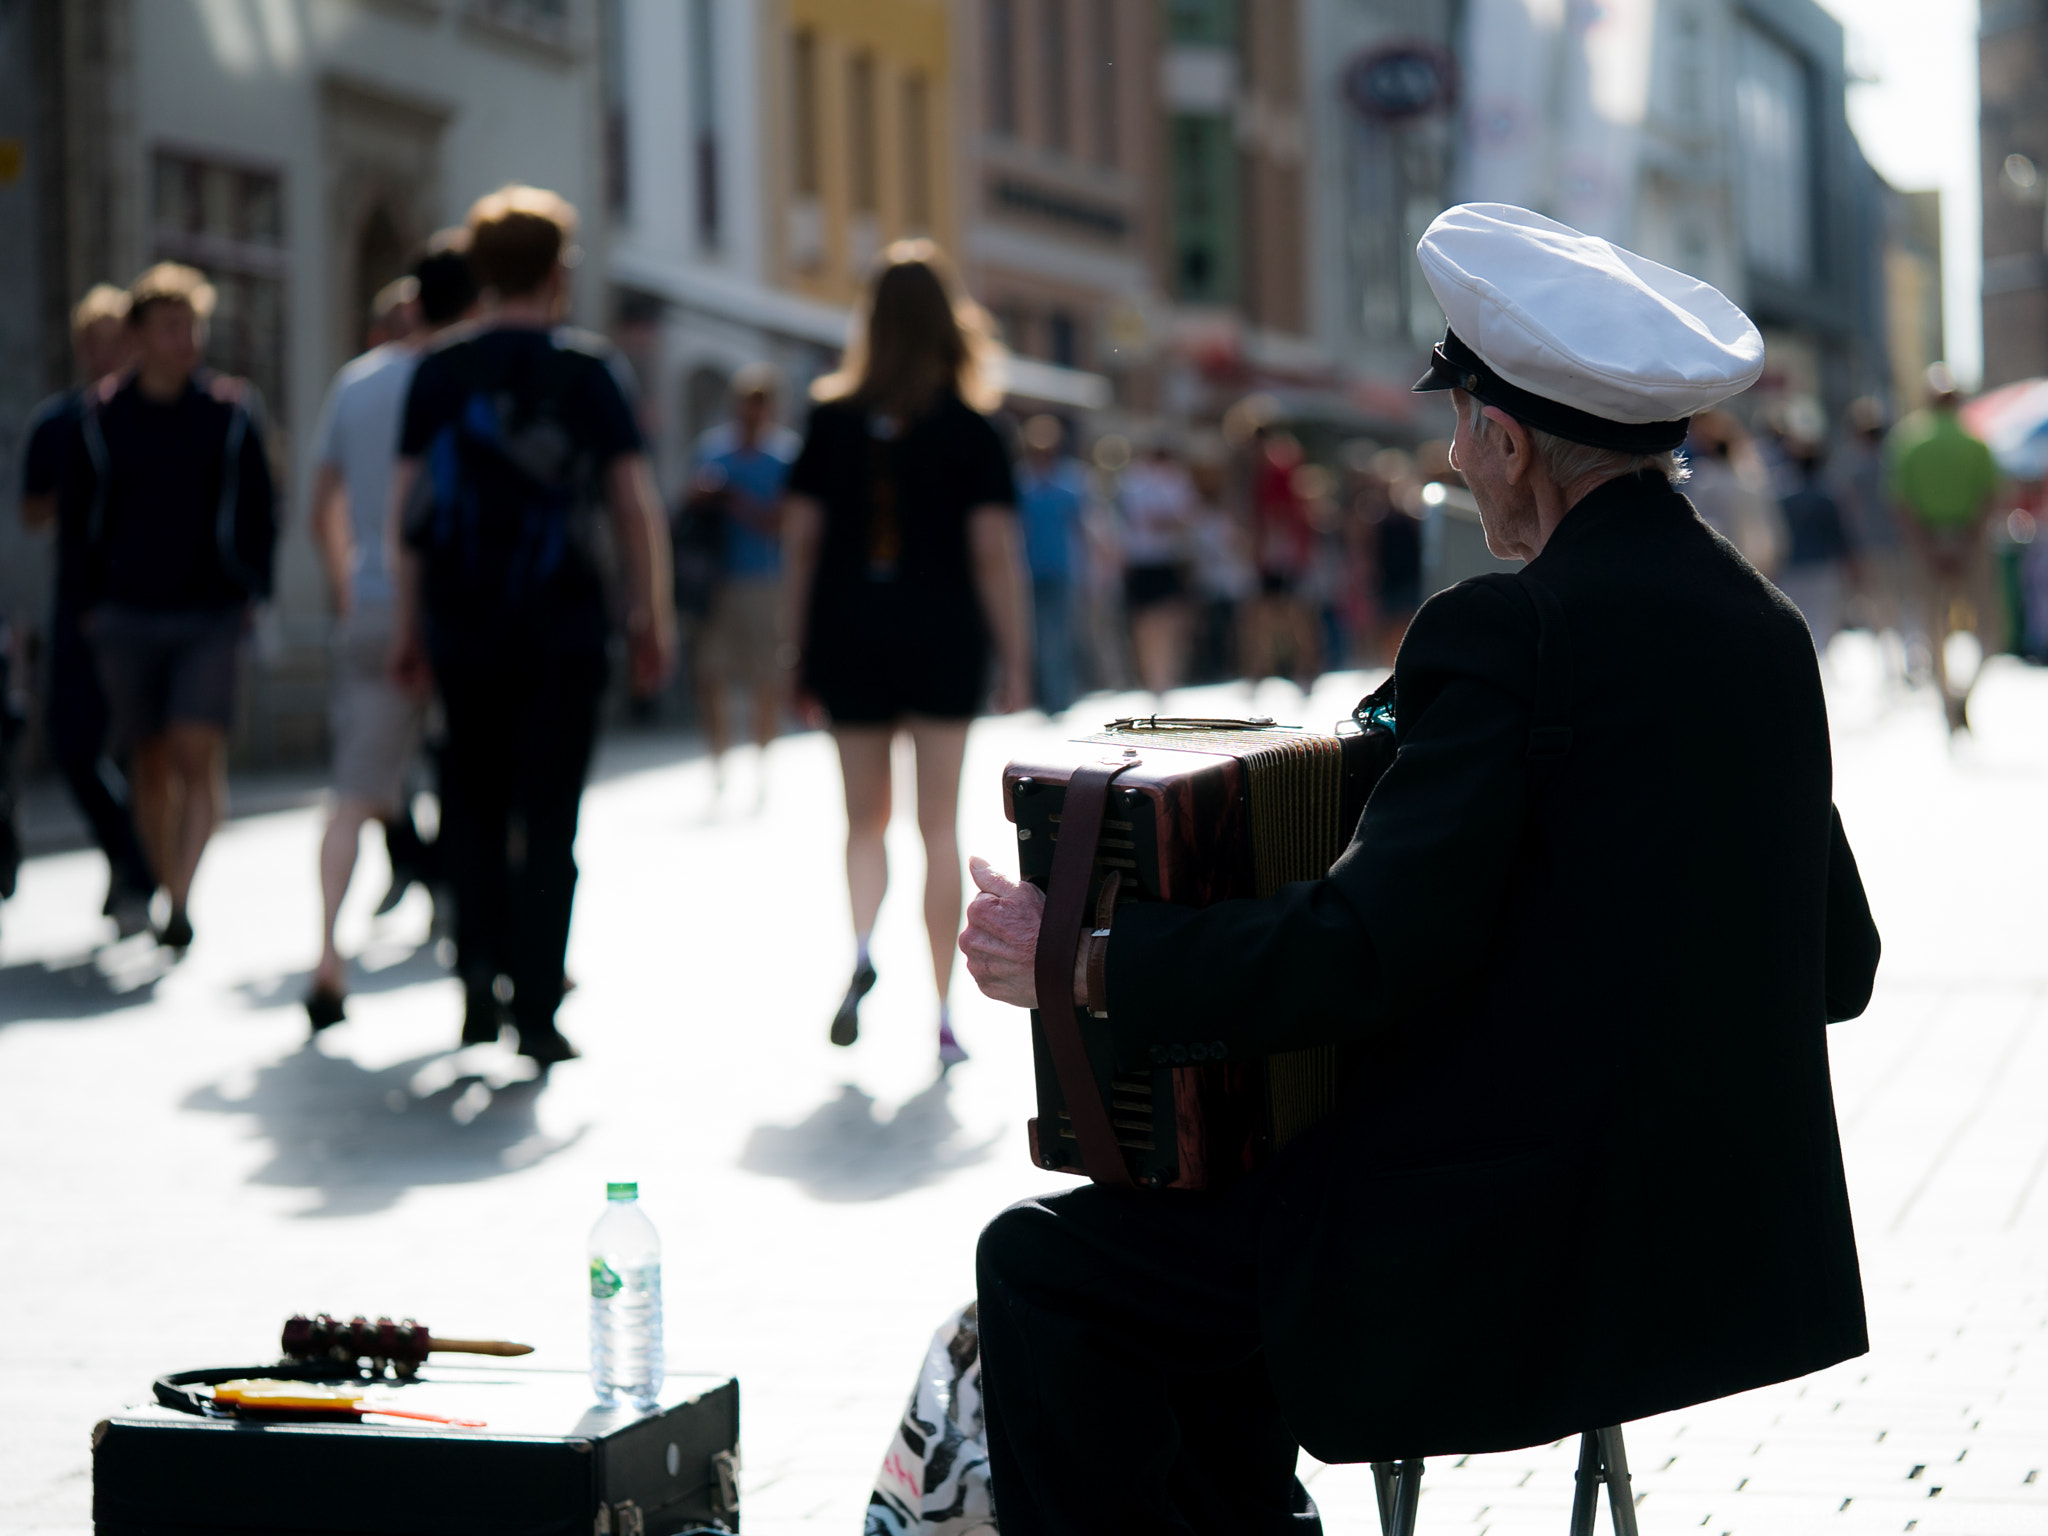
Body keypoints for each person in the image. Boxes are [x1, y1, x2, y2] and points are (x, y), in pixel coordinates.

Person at [958, 203, 1880, 1533]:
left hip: (1510, 1252)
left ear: (1510, 441)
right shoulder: (1764, 630)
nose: (1453, 463)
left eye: (1461, 432)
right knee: (1215, 1252)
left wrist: (1084, 959)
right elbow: (1837, 965)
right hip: (1708, 1255)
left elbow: (1364, 948)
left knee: (1050, 1266)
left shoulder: (1510, 631)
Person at [390, 185, 674, 1064]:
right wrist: (648, 615)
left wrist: (407, 629)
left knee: (469, 804)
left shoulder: (437, 371)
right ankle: (539, 1009)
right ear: (558, 273)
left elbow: (406, 516)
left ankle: (476, 972)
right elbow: (631, 504)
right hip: (564, 627)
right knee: (551, 820)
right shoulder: (588, 373)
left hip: (463, 623)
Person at [779, 239, 1029, 1069]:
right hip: (943, 634)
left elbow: (803, 544)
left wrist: (795, 647)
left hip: (848, 633)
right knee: (936, 824)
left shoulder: (829, 419)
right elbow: (993, 552)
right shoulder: (971, 428)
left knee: (862, 820)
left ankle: (858, 950)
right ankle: (943, 1010)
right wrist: (1017, 654)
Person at [303, 237, 479, 1031]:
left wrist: (352, 589)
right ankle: (504, 951)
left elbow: (321, 507)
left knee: (353, 793)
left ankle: (329, 956)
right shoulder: (466, 381)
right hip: (458, 604)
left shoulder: (358, 385)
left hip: (375, 603)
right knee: (486, 784)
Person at [79, 264, 277, 952]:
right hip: (128, 611)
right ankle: (165, 881)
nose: (185, 339)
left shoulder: (227, 412)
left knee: (197, 750)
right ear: (139, 336)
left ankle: (182, 899)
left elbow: (261, 507)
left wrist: (256, 587)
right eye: (170, 327)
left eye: (192, 325)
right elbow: (82, 519)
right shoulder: (104, 418)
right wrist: (89, 604)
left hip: (210, 610)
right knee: (151, 760)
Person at [17, 284, 156, 935]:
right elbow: (32, 509)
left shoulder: (144, 418)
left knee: (138, 748)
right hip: (78, 603)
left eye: (113, 341)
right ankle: (132, 854)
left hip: (138, 602)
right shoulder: (59, 422)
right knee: (75, 742)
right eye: (91, 343)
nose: (102, 353)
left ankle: (136, 870)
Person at [679, 363, 800, 800]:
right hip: (715, 581)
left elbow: (782, 522)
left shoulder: (785, 457)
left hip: (763, 581)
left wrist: (733, 501)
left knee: (765, 676)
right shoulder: (712, 450)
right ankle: (717, 759)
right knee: (711, 672)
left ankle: (763, 758)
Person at [1886, 363, 2001, 733]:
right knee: (1989, 629)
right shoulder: (1976, 439)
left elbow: (1901, 504)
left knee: (1933, 629)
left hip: (1926, 544)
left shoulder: (1909, 440)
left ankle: (1947, 701)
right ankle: (1962, 697)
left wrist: (1929, 546)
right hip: (1970, 542)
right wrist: (1966, 543)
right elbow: (1990, 497)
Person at [1014, 414, 1089, 714]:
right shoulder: (1021, 482)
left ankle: (1059, 698)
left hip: (1060, 570)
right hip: (1027, 571)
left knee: (1058, 636)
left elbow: (1082, 525)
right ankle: (1039, 696)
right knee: (1033, 636)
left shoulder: (1069, 482)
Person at [1241, 427, 1322, 690]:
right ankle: (1269, 669)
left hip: (1281, 553)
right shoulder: (1274, 468)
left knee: (1288, 612)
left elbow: (1279, 515)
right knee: (1274, 612)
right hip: (1282, 551)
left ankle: (1299, 668)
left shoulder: (1276, 469)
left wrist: (1266, 550)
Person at [1115, 443, 1195, 697]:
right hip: (1142, 560)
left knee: (1169, 621)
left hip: (1168, 559)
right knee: (1145, 623)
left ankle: (1166, 676)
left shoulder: (1176, 479)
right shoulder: (1133, 481)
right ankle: (1152, 678)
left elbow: (1184, 519)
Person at [1774, 436, 1855, 653]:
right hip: (1822, 567)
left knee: (1799, 621)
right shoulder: (1827, 496)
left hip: (1792, 567)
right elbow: (1838, 535)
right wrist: (1851, 564)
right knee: (1822, 624)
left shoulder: (1784, 498)